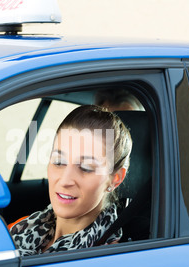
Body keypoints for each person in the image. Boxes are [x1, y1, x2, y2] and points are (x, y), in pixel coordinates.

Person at [9, 105, 132, 256]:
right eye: (59, 162)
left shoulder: (104, 258)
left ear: (115, 179)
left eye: (86, 167)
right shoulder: (23, 226)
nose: (65, 180)